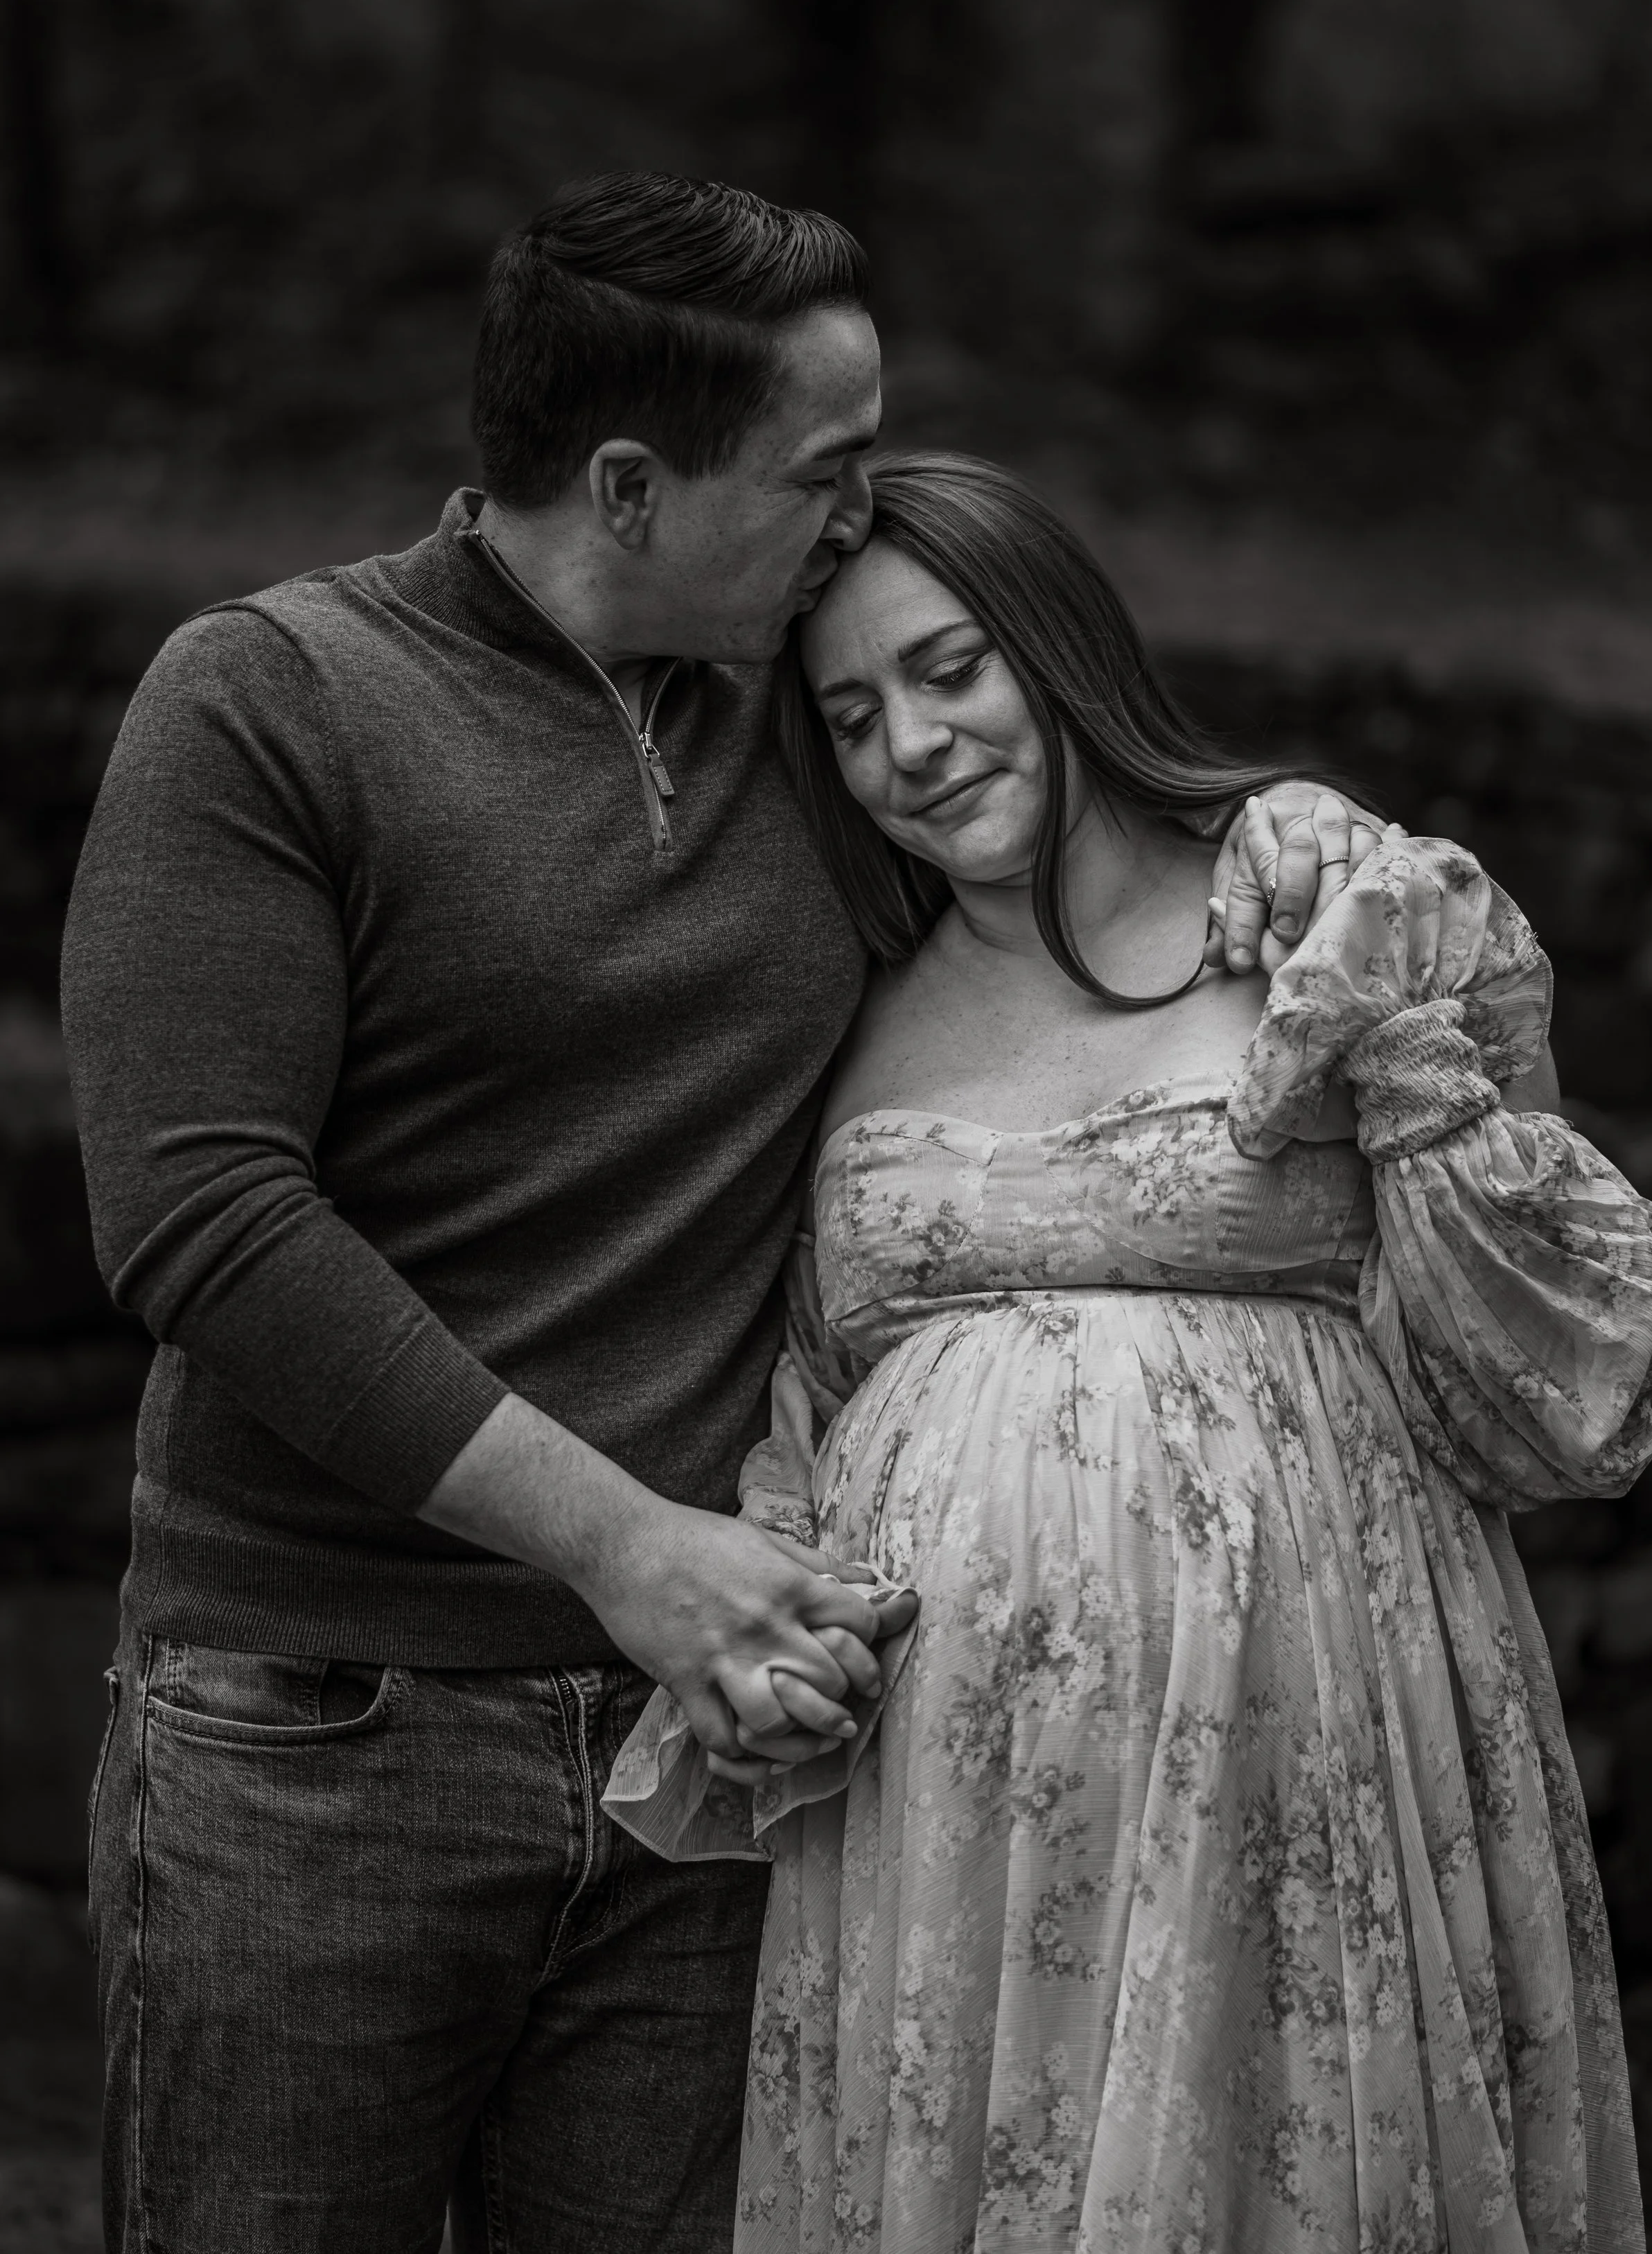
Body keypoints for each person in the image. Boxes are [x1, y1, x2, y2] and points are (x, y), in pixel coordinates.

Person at [60, 175, 1342, 2253]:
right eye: (819, 475)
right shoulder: (266, 706)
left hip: (713, 1765)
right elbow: (202, 1218)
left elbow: (1059, 832)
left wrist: (1272, 860)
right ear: (631, 485)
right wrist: (630, 1550)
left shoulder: (812, 728)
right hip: (325, 1735)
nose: (856, 520)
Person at [604, 451, 1652, 2254]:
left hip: (1307, 1745)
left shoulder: (1332, 911)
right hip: (947, 1822)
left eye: (950, 668)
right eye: (853, 714)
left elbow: (1559, 1382)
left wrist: (1394, 1036)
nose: (912, 745)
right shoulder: (838, 1003)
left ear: (1058, 644)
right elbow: (808, 1400)